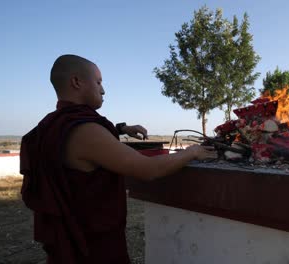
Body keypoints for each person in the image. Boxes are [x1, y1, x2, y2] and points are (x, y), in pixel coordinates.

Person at [20, 54, 216, 263]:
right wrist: (192, 151)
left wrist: (121, 129)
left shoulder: (50, 125)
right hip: (92, 247)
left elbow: (82, 143)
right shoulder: (84, 131)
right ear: (76, 82)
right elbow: (148, 169)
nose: (103, 89)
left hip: (69, 242)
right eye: (98, 82)